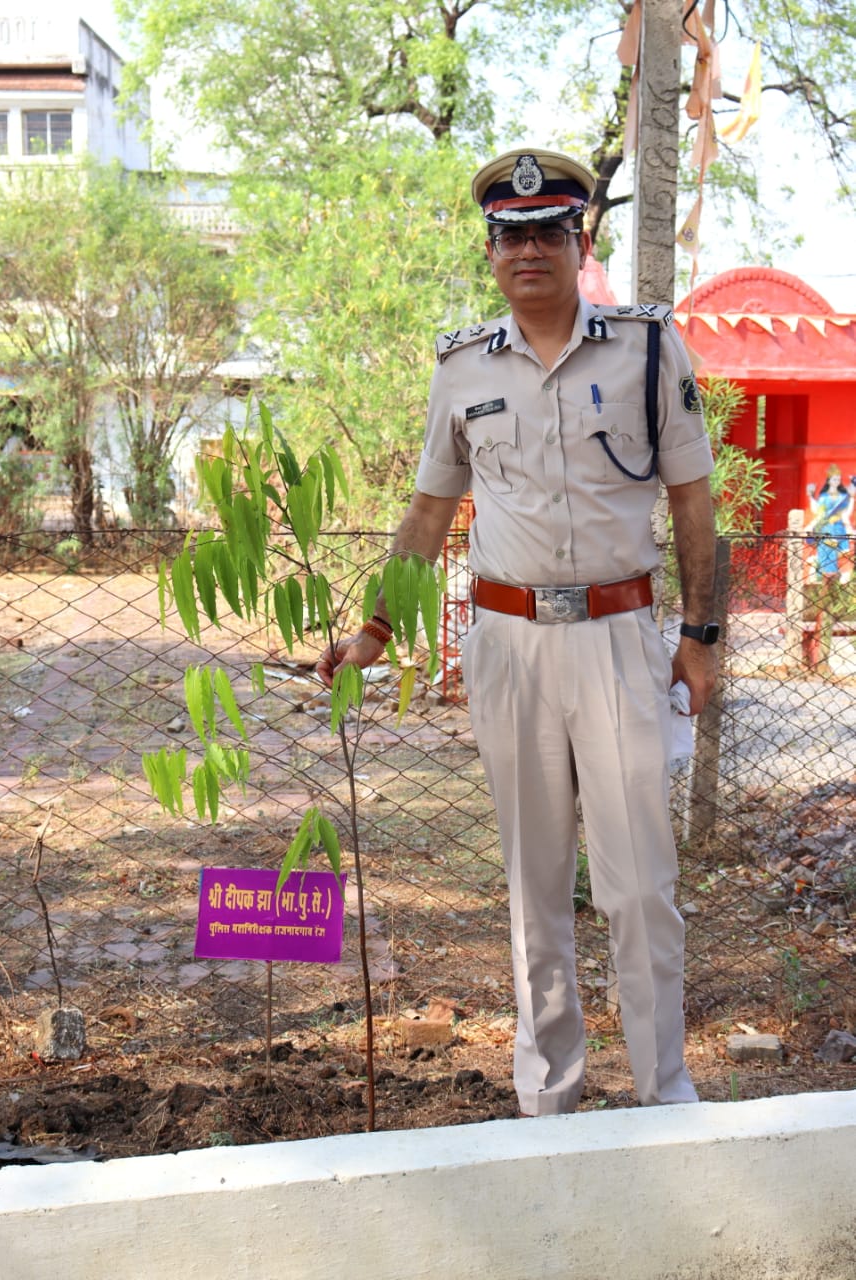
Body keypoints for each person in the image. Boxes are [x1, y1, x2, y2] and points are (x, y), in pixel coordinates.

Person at [318, 147, 719, 1116]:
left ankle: (665, 1090)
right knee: (535, 884)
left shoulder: (650, 350)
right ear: (490, 250)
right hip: (509, 646)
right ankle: (549, 1093)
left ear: (581, 243)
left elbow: (695, 502)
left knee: (639, 885)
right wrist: (374, 629)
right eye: (511, 235)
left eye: (549, 231)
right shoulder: (462, 368)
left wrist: (701, 634)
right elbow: (426, 515)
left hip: (621, 641)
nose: (529, 248)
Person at [805, 466, 854, 583]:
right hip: (826, 527)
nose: (836, 482)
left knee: (843, 553)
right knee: (826, 549)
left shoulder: (843, 497)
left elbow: (846, 513)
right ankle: (825, 575)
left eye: (838, 479)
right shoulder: (824, 497)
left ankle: (835, 576)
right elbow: (819, 512)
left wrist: (852, 498)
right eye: (834, 479)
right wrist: (811, 496)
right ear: (829, 481)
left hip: (839, 527)